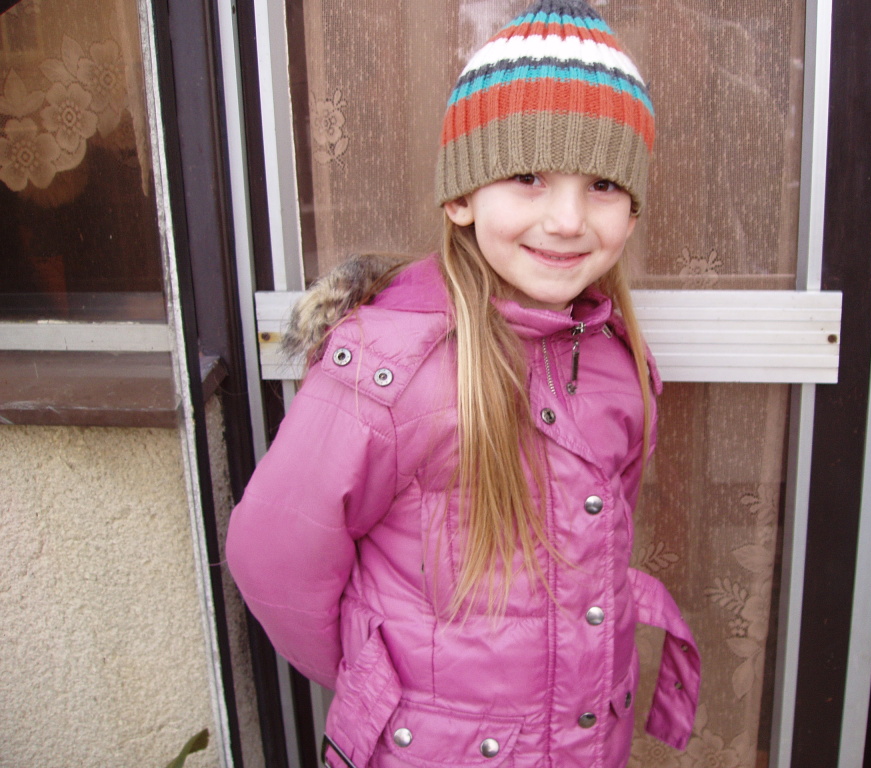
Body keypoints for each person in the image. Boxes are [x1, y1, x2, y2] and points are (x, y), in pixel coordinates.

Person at [226, 1, 700, 766]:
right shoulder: (389, 368)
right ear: (461, 197)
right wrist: (372, 678)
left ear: (634, 211)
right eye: (528, 177)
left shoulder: (617, 361)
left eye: (604, 184)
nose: (568, 218)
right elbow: (273, 552)